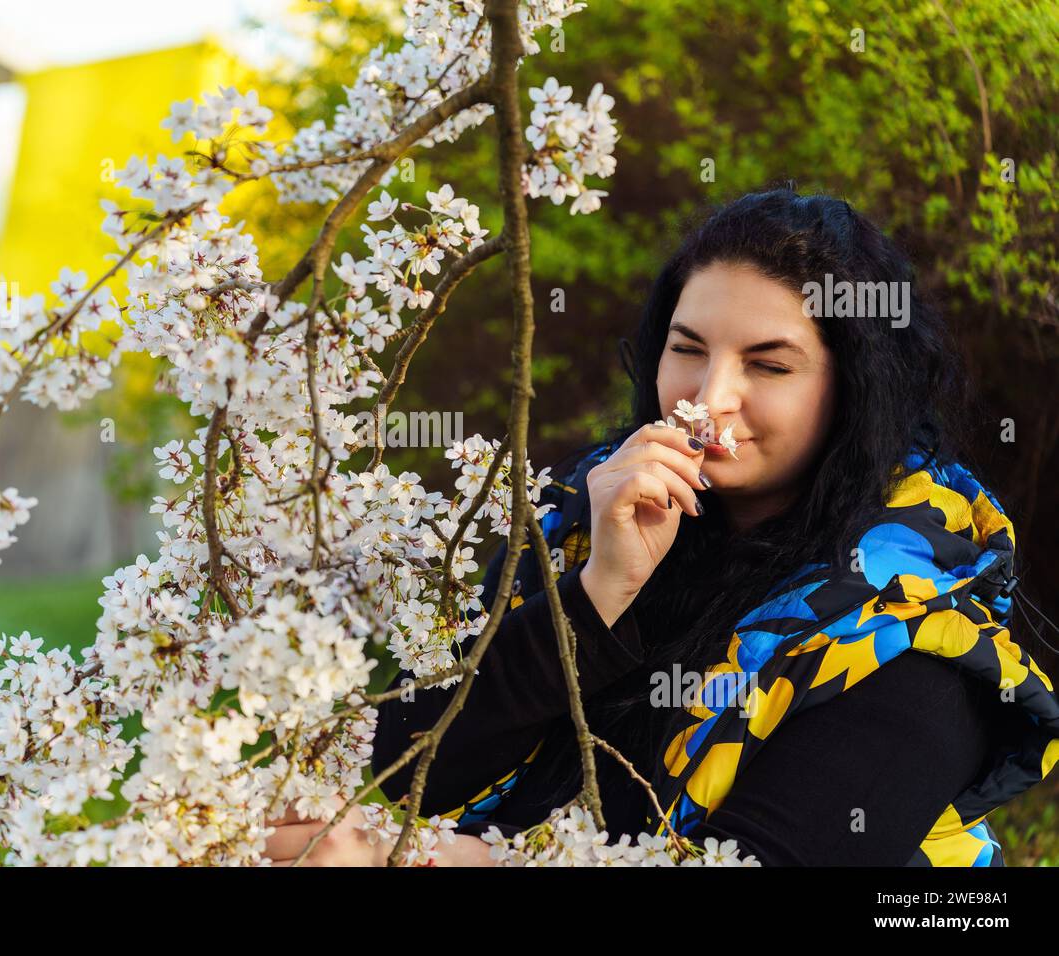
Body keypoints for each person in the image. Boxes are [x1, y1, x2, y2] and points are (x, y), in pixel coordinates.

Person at [263, 188, 1059, 867]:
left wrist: (441, 857)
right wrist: (599, 592)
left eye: (769, 365)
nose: (707, 400)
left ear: (856, 388)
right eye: (687, 349)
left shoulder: (916, 637)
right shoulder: (583, 520)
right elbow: (399, 769)